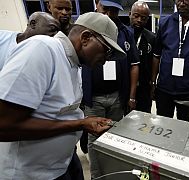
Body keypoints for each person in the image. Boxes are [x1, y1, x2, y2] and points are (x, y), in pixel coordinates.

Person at [0, 12, 126, 180]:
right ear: (86, 38)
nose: (105, 60)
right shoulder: (42, 50)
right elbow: (5, 126)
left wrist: (82, 123)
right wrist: (80, 124)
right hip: (29, 173)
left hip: (59, 166)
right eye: (107, 51)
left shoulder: (73, 63)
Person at [82, 0, 139, 179]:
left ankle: (112, 173)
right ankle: (97, 176)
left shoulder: (125, 32)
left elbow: (134, 65)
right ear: (97, 5)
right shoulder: (83, 27)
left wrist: (130, 96)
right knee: (93, 139)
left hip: (116, 96)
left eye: (113, 11)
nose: (108, 14)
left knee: (113, 136)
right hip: (93, 98)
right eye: (105, 9)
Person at [129, 1, 156, 113]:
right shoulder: (122, 35)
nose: (139, 20)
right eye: (136, 16)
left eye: (144, 18)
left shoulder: (152, 38)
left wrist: (153, 83)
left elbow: (155, 62)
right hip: (126, 85)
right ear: (130, 14)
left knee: (144, 118)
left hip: (145, 87)